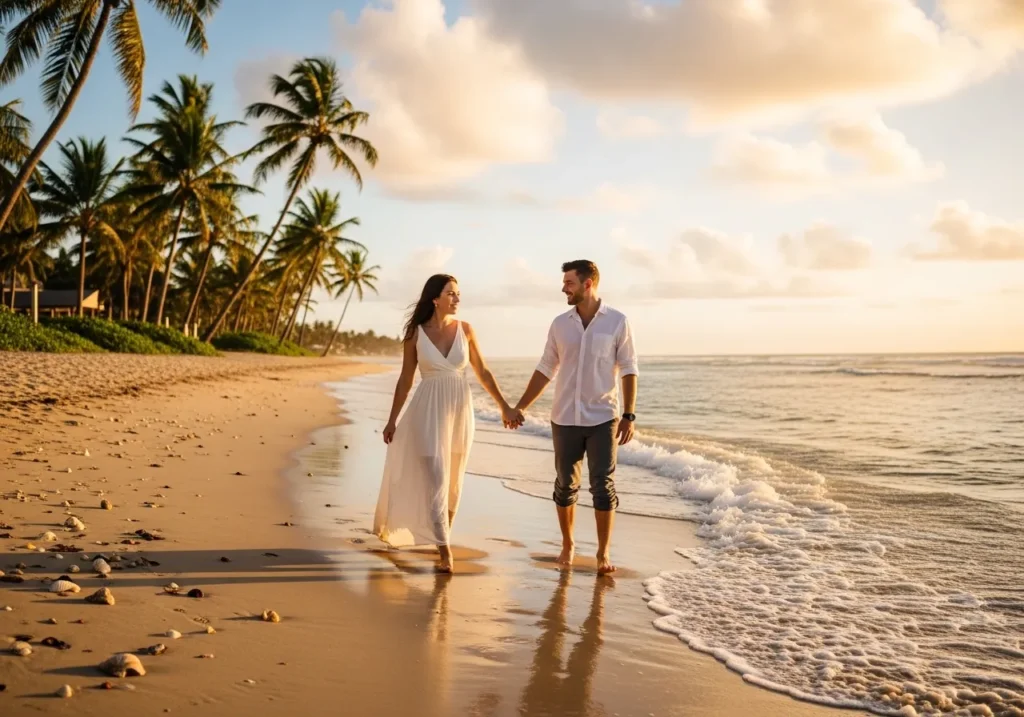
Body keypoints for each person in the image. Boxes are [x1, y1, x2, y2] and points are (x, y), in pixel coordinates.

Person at [373, 274, 521, 573]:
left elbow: (483, 372)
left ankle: (443, 536)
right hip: (426, 412)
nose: (457, 298)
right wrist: (392, 420)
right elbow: (405, 380)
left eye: (458, 293)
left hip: (460, 411)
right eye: (451, 293)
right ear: (435, 298)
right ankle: (445, 551)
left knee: (453, 481)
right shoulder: (415, 334)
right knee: (437, 480)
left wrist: (505, 406)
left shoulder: (466, 330)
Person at [513, 260, 638, 575]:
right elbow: (545, 369)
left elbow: (628, 369)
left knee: (602, 485)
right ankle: (568, 545)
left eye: (569, 282)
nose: (563, 288)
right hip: (565, 417)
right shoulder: (559, 324)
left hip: (603, 418)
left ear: (588, 283)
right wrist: (521, 406)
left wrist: (629, 414)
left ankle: (602, 553)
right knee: (565, 485)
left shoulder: (617, 322)